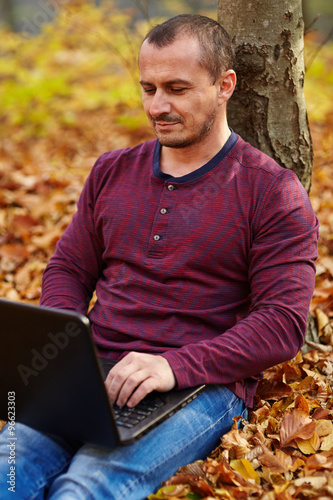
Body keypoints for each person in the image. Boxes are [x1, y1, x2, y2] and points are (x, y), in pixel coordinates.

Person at [0, 13, 318, 500]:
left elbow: (281, 324)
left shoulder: (272, 192)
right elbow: (68, 268)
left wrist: (174, 366)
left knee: (86, 487)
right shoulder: (112, 171)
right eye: (148, 88)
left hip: (198, 387)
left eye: (176, 88)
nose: (158, 106)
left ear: (224, 85)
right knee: (7, 474)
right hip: (94, 373)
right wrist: (66, 353)